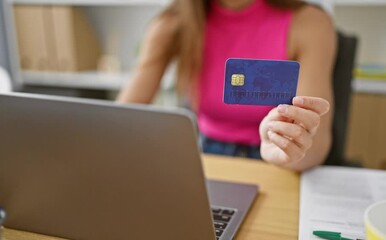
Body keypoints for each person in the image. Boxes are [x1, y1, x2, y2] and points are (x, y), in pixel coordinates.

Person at [117, 0, 336, 171]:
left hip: (278, 166)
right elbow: (119, 121)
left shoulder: (310, 23)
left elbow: (315, 144)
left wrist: (287, 152)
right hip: (205, 159)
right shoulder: (172, 24)